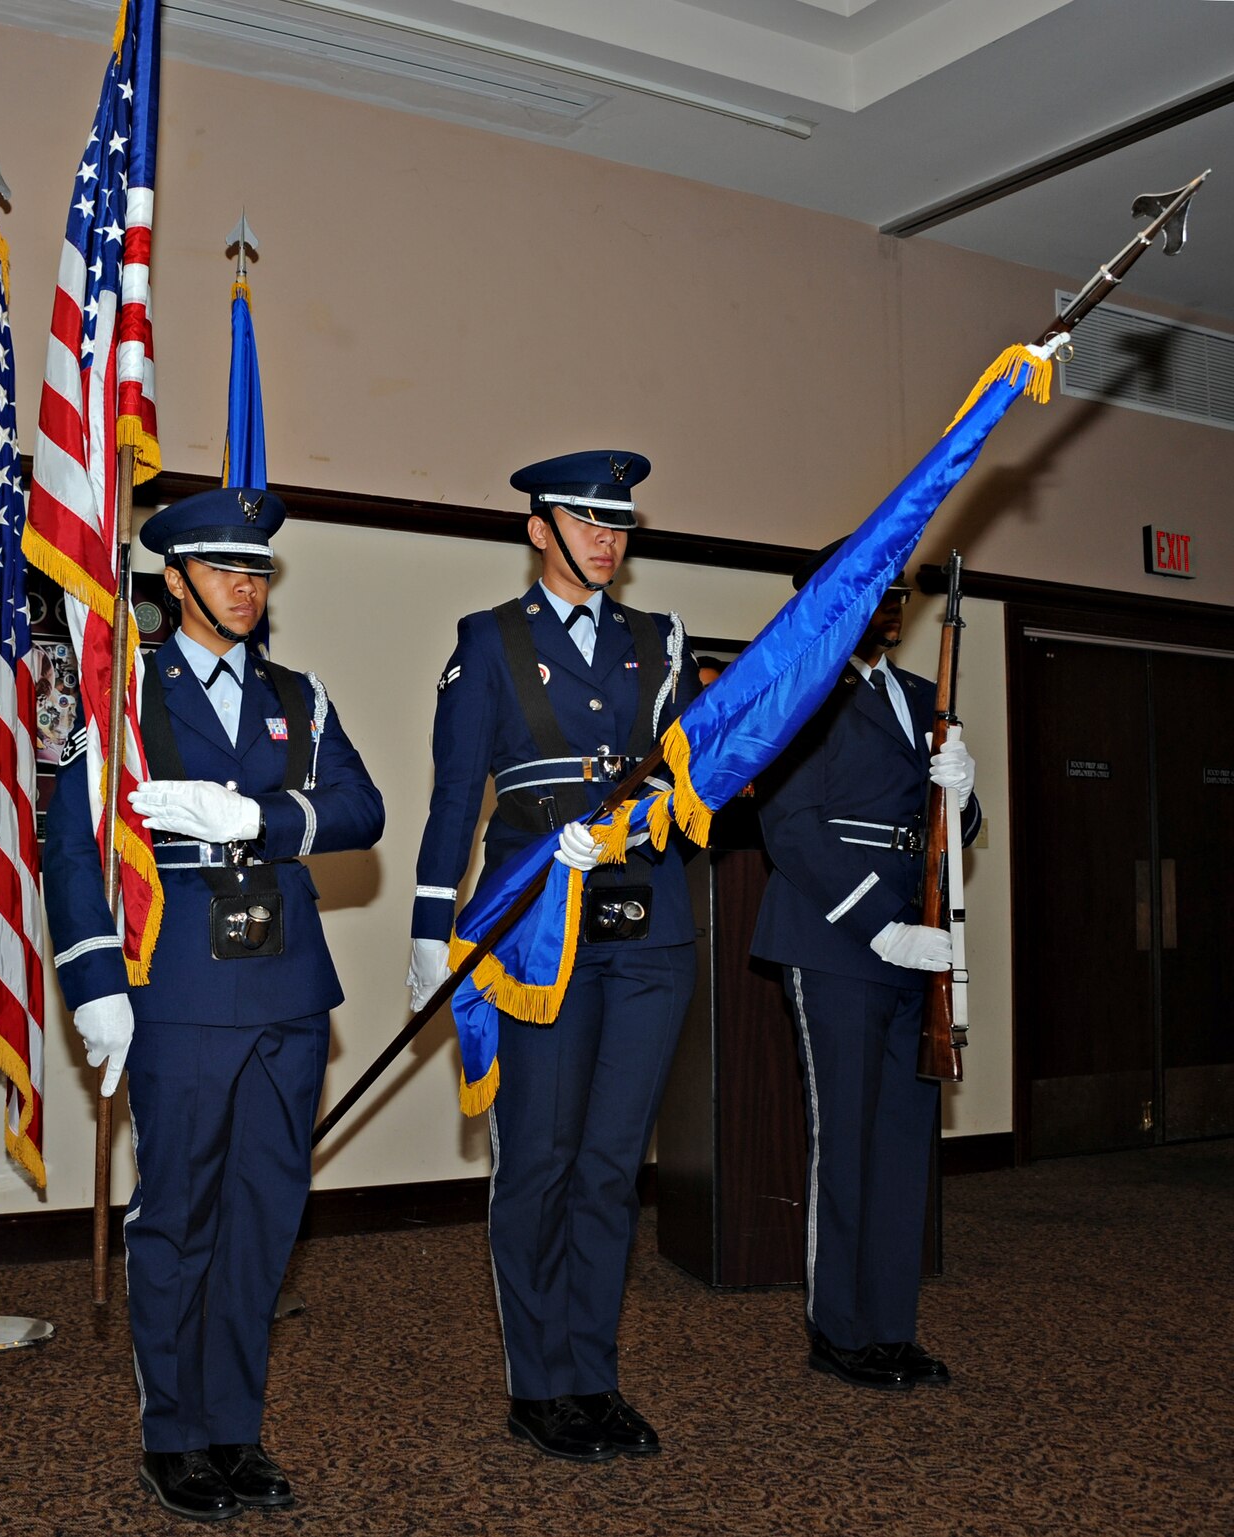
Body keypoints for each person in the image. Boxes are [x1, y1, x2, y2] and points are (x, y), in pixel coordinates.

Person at [42, 488, 383, 1521]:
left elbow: (360, 808)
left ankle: (235, 1425)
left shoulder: (297, 693)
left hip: (284, 982)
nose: (247, 587)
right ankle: (173, 1434)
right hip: (176, 980)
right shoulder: (124, 698)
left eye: (259, 571)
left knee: (263, 1218)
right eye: (226, 570)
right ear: (173, 579)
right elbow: (70, 855)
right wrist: (95, 982)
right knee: (178, 1215)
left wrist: (259, 814)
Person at [408, 451, 700, 1462]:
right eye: (582, 518)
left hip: (647, 922)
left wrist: (651, 811)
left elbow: (700, 777)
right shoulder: (488, 642)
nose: (603, 536)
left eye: (616, 522)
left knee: (612, 1166)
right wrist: (425, 925)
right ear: (539, 528)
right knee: (539, 1157)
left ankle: (592, 1375)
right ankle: (538, 1385)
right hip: (534, 922)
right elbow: (455, 798)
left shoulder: (659, 643)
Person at [748, 540, 979, 1391]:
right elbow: (792, 830)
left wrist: (963, 783)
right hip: (837, 938)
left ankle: (891, 1326)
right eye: (869, 589)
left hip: (917, 939)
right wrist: (881, 927)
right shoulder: (799, 692)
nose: (890, 604)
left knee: (902, 1143)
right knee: (843, 1136)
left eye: (898, 591)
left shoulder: (923, 697)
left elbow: (959, 823)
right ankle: (838, 1329)